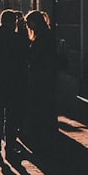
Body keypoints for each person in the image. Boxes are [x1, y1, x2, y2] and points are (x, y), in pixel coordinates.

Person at [0, 10, 29, 160]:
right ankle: (10, 148)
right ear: (13, 22)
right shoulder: (17, 38)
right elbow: (24, 59)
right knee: (11, 117)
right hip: (14, 83)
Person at [25, 9, 59, 144]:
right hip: (47, 75)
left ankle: (44, 135)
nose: (28, 26)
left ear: (34, 23)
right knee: (47, 105)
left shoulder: (42, 37)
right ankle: (47, 133)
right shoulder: (47, 34)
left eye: (28, 23)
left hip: (41, 76)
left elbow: (37, 57)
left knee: (42, 105)